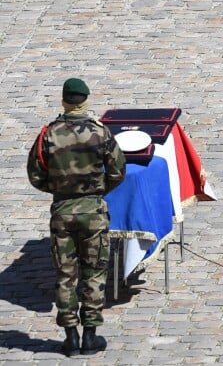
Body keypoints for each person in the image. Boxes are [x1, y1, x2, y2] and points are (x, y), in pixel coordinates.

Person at [27, 78, 126, 357]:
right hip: (93, 212)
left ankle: (71, 336)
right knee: (95, 272)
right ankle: (91, 336)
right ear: (85, 100)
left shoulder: (49, 133)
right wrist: (96, 192)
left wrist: (59, 190)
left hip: (62, 212)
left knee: (65, 274)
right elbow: (118, 170)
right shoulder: (100, 131)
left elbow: (35, 174)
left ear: (64, 100)